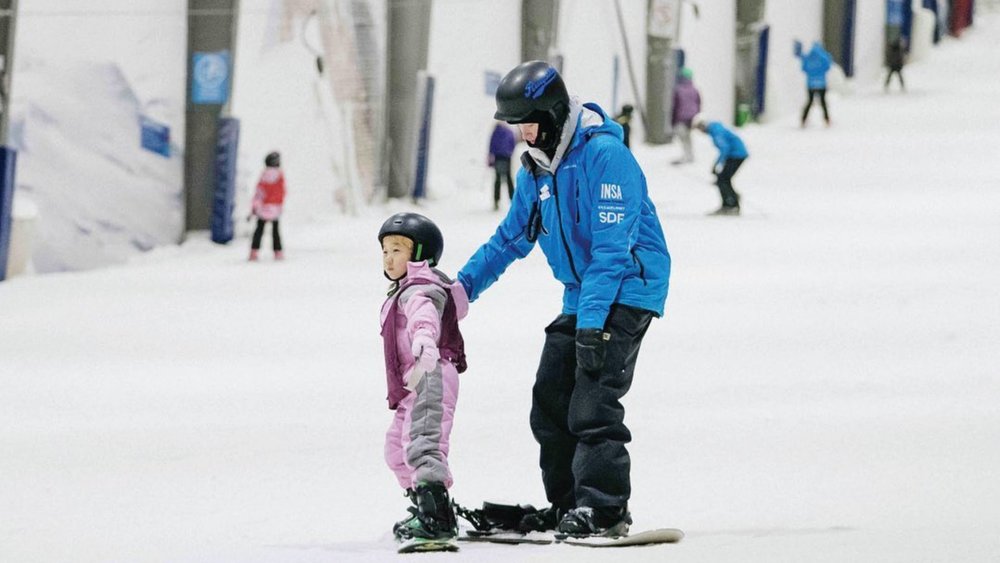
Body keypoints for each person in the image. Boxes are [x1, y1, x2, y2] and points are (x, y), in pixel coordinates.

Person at [457, 60, 671, 538]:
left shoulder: (606, 156)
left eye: (528, 124)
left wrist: (592, 324)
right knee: (551, 400)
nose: (523, 135)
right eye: (517, 127)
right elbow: (509, 239)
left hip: (629, 285)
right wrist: (459, 292)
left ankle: (605, 508)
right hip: (584, 293)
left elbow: (613, 250)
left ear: (553, 114)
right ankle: (570, 504)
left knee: (592, 402)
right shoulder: (537, 170)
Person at [379, 212, 469, 545]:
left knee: (423, 444)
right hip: (414, 381)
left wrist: (424, 338)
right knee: (396, 448)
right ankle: (423, 503)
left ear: (420, 254)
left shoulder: (420, 289)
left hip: (431, 373)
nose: (389, 258)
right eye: (385, 251)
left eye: (397, 250)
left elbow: (424, 313)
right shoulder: (405, 288)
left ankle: (437, 516)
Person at [692, 114, 747, 216]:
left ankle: (730, 204)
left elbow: (724, 148)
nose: (700, 131)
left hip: (736, 155)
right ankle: (732, 199)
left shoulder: (716, 131)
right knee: (724, 179)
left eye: (699, 128)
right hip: (736, 154)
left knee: (722, 179)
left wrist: (718, 164)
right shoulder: (715, 128)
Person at [249, 151, 285, 261]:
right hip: (275, 208)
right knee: (275, 231)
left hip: (263, 208)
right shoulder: (280, 176)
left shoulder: (264, 176)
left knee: (259, 230)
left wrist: (255, 206)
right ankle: (278, 251)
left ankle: (254, 251)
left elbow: (259, 192)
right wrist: (278, 204)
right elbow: (282, 192)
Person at [796, 40, 833, 127]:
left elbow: (804, 68)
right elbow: (828, 66)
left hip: (811, 84)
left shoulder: (808, 57)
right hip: (821, 83)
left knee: (809, 101)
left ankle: (803, 119)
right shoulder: (823, 57)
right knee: (823, 102)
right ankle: (826, 120)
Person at [671, 67, 701, 165]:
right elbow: (699, 103)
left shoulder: (678, 90)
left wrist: (673, 120)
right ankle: (690, 155)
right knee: (688, 137)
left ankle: (686, 156)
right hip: (692, 118)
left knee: (683, 137)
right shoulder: (695, 90)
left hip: (681, 117)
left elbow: (675, 106)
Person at [488, 121, 516, 210]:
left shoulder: (495, 132)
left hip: (498, 157)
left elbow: (492, 144)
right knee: (508, 178)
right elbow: (513, 142)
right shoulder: (509, 131)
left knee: (498, 179)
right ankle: (513, 199)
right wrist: (510, 152)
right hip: (507, 157)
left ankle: (496, 200)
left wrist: (490, 155)